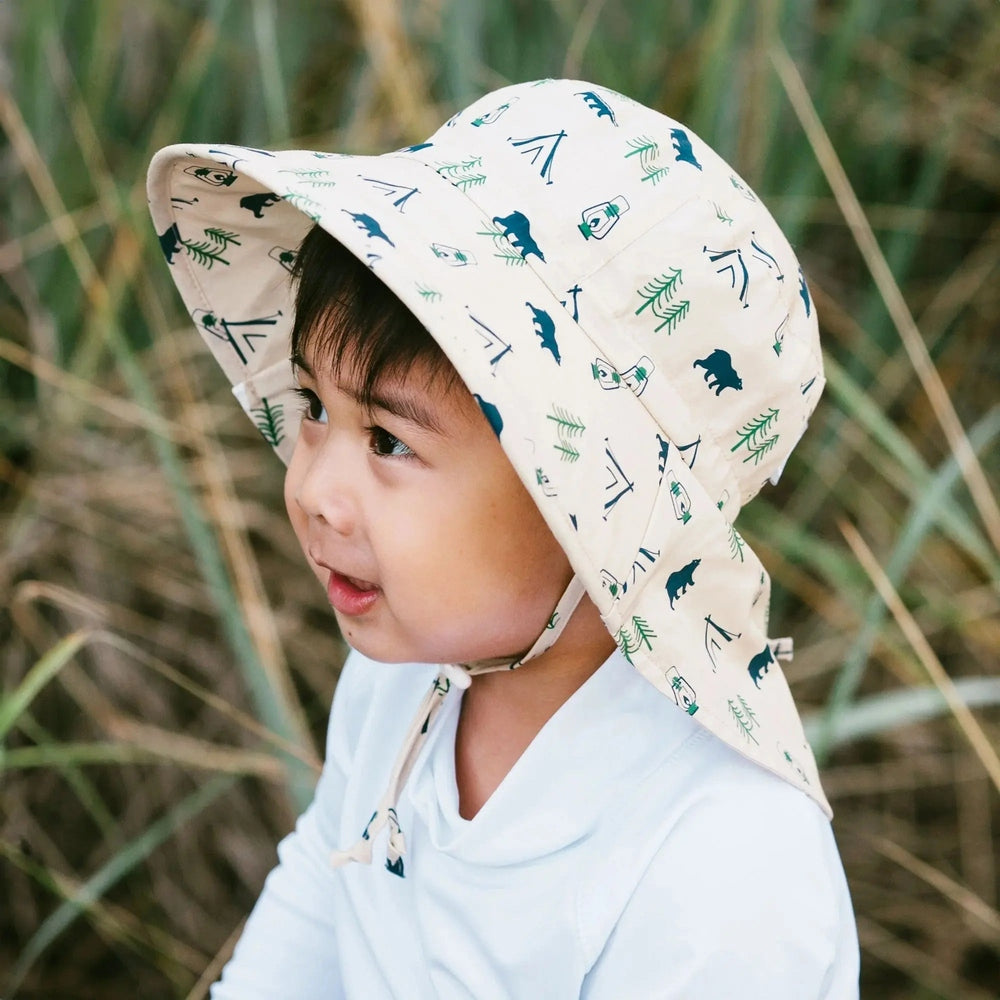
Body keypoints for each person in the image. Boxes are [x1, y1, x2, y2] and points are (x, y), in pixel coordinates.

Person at [147, 78, 859, 998]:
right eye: (313, 406)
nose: (315, 487)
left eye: (390, 441)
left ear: (592, 504)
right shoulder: (404, 677)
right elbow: (323, 895)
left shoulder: (721, 868)